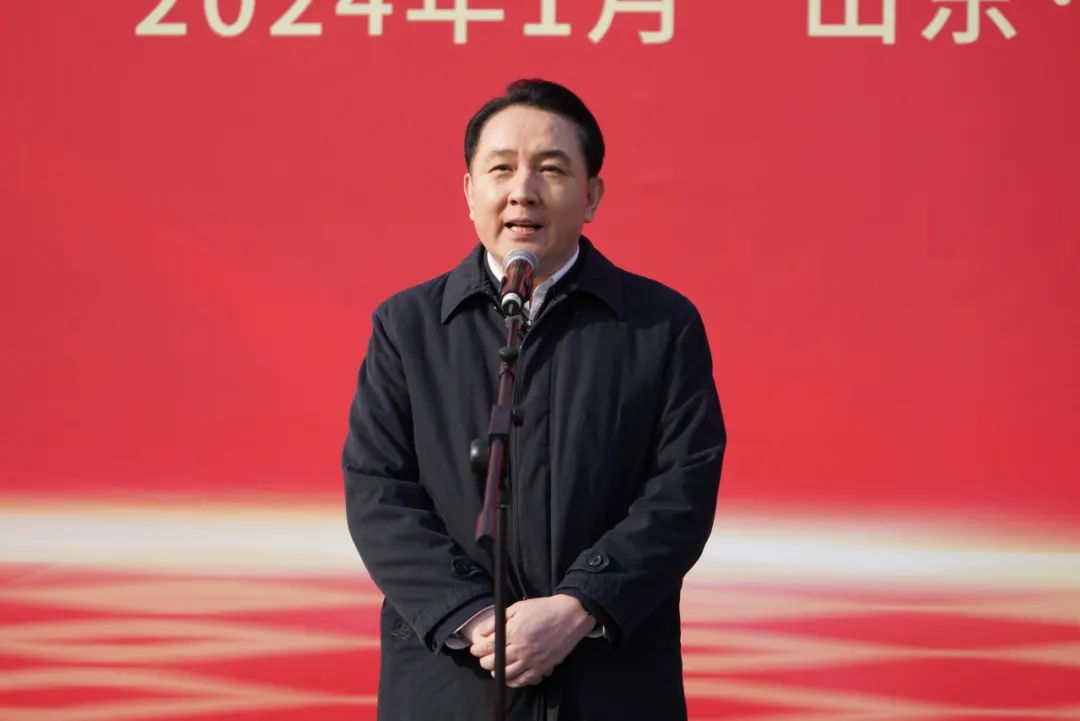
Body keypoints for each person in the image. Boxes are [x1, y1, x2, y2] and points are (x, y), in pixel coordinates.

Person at [343, 78, 725, 721]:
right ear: (470, 192)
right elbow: (378, 492)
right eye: (501, 169)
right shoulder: (407, 327)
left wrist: (580, 606)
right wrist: (473, 617)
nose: (523, 190)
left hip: (610, 684)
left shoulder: (660, 326)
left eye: (551, 169)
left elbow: (681, 493)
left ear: (591, 195)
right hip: (451, 683)